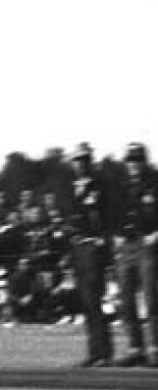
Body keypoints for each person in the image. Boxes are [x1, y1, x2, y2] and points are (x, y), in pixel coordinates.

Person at [112, 142, 158, 366]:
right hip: (126, 245)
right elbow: (112, 213)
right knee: (126, 299)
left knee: (151, 298)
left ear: (144, 161)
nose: (134, 164)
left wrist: (156, 234)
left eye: (138, 159)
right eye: (130, 160)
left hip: (146, 242)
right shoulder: (121, 187)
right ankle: (135, 348)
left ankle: (155, 348)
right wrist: (115, 235)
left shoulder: (154, 183)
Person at [66, 142, 112, 366]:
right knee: (85, 301)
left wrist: (101, 238)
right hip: (78, 247)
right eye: (77, 160)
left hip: (93, 246)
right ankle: (94, 351)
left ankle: (103, 351)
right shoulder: (72, 187)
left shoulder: (99, 184)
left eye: (84, 160)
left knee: (94, 299)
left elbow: (105, 214)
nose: (80, 164)